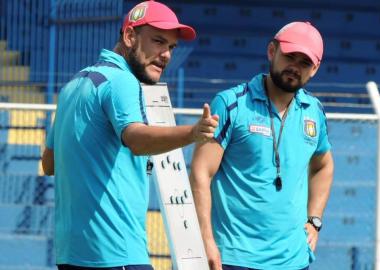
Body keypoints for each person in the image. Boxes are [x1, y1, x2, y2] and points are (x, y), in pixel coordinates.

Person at [41, 1, 219, 269]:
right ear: (129, 36)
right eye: (158, 42)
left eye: (171, 47)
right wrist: (192, 132)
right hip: (117, 253)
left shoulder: (72, 85)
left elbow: (49, 164)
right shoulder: (122, 81)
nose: (167, 55)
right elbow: (136, 139)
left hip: (71, 255)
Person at [190, 21, 334, 270]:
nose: (295, 67)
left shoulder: (314, 112)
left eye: (304, 62)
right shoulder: (230, 104)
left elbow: (324, 166)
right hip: (234, 259)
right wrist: (206, 241)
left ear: (315, 68)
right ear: (271, 51)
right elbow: (201, 173)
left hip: (293, 261)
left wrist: (314, 220)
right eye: (290, 56)